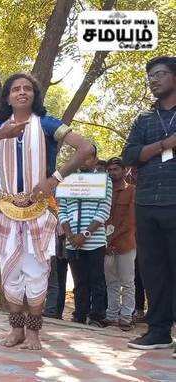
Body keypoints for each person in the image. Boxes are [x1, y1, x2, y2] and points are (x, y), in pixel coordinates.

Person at [0, 73, 93, 350]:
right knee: (10, 274)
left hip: (38, 212)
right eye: (15, 89)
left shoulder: (47, 124)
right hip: (7, 213)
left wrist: (54, 178)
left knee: (36, 273)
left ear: (34, 95)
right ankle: (16, 330)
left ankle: (33, 334)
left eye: (27, 88)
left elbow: (86, 147)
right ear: (7, 97)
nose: (21, 92)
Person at [122, 56, 176, 353]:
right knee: (153, 269)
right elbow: (128, 154)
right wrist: (165, 145)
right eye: (150, 76)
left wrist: (148, 153)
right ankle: (158, 331)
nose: (153, 80)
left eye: (159, 74)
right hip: (146, 203)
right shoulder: (144, 119)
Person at [58, 150, 112, 327]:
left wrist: (85, 235)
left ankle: (97, 316)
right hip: (72, 241)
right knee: (79, 281)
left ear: (95, 159)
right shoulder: (67, 181)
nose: (83, 160)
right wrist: (70, 235)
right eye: (81, 157)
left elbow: (104, 210)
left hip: (94, 241)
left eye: (88, 157)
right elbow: (62, 210)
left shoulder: (104, 181)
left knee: (97, 279)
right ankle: (79, 315)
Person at [104, 156, 136, 331]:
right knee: (111, 282)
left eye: (115, 169)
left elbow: (130, 222)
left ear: (124, 171)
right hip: (106, 245)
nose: (112, 173)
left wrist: (112, 238)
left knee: (127, 282)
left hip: (125, 244)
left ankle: (126, 317)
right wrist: (105, 240)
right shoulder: (103, 190)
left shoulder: (132, 191)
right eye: (109, 170)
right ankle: (111, 316)